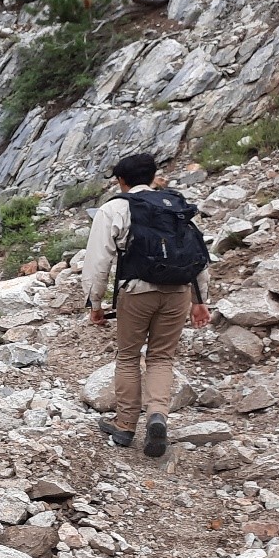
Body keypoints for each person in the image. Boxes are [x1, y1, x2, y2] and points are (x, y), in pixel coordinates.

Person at [83, 153, 211, 458]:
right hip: (179, 291)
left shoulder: (115, 207)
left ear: (121, 181)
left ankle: (126, 426)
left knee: (128, 358)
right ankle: (157, 416)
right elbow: (198, 253)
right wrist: (200, 301)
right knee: (161, 358)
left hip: (137, 292)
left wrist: (95, 302)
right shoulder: (176, 206)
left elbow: (98, 261)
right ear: (154, 177)